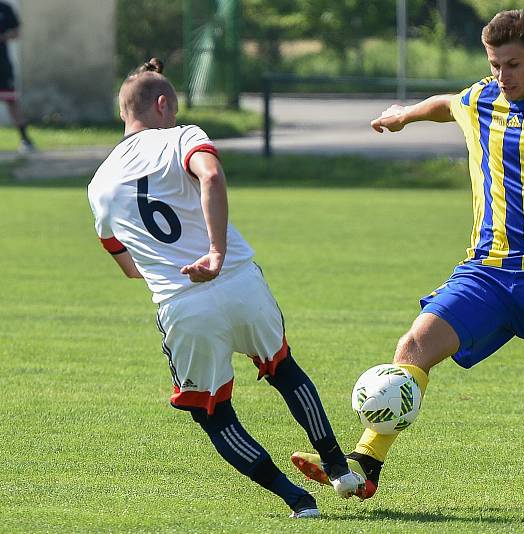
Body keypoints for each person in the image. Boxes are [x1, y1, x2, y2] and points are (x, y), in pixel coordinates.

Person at [291, 10, 524, 508]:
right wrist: (404, 114)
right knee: (414, 346)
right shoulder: (483, 96)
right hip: (488, 271)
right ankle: (366, 465)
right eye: (496, 64)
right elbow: (447, 104)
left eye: (514, 64)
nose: (503, 76)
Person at [87, 58, 364, 519]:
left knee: (213, 415)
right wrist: (215, 253)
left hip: (182, 304)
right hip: (239, 281)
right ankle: (339, 468)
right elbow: (211, 175)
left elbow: (129, 267)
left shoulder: (98, 184)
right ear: (162, 105)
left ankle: (297, 500)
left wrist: (169, 264)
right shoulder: (183, 136)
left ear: (123, 113)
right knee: (284, 369)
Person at [0, 1, 33, 152]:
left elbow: (16, 31)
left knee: (11, 100)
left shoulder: (5, 8)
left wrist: (4, 35)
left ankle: (25, 139)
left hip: (2, 64)